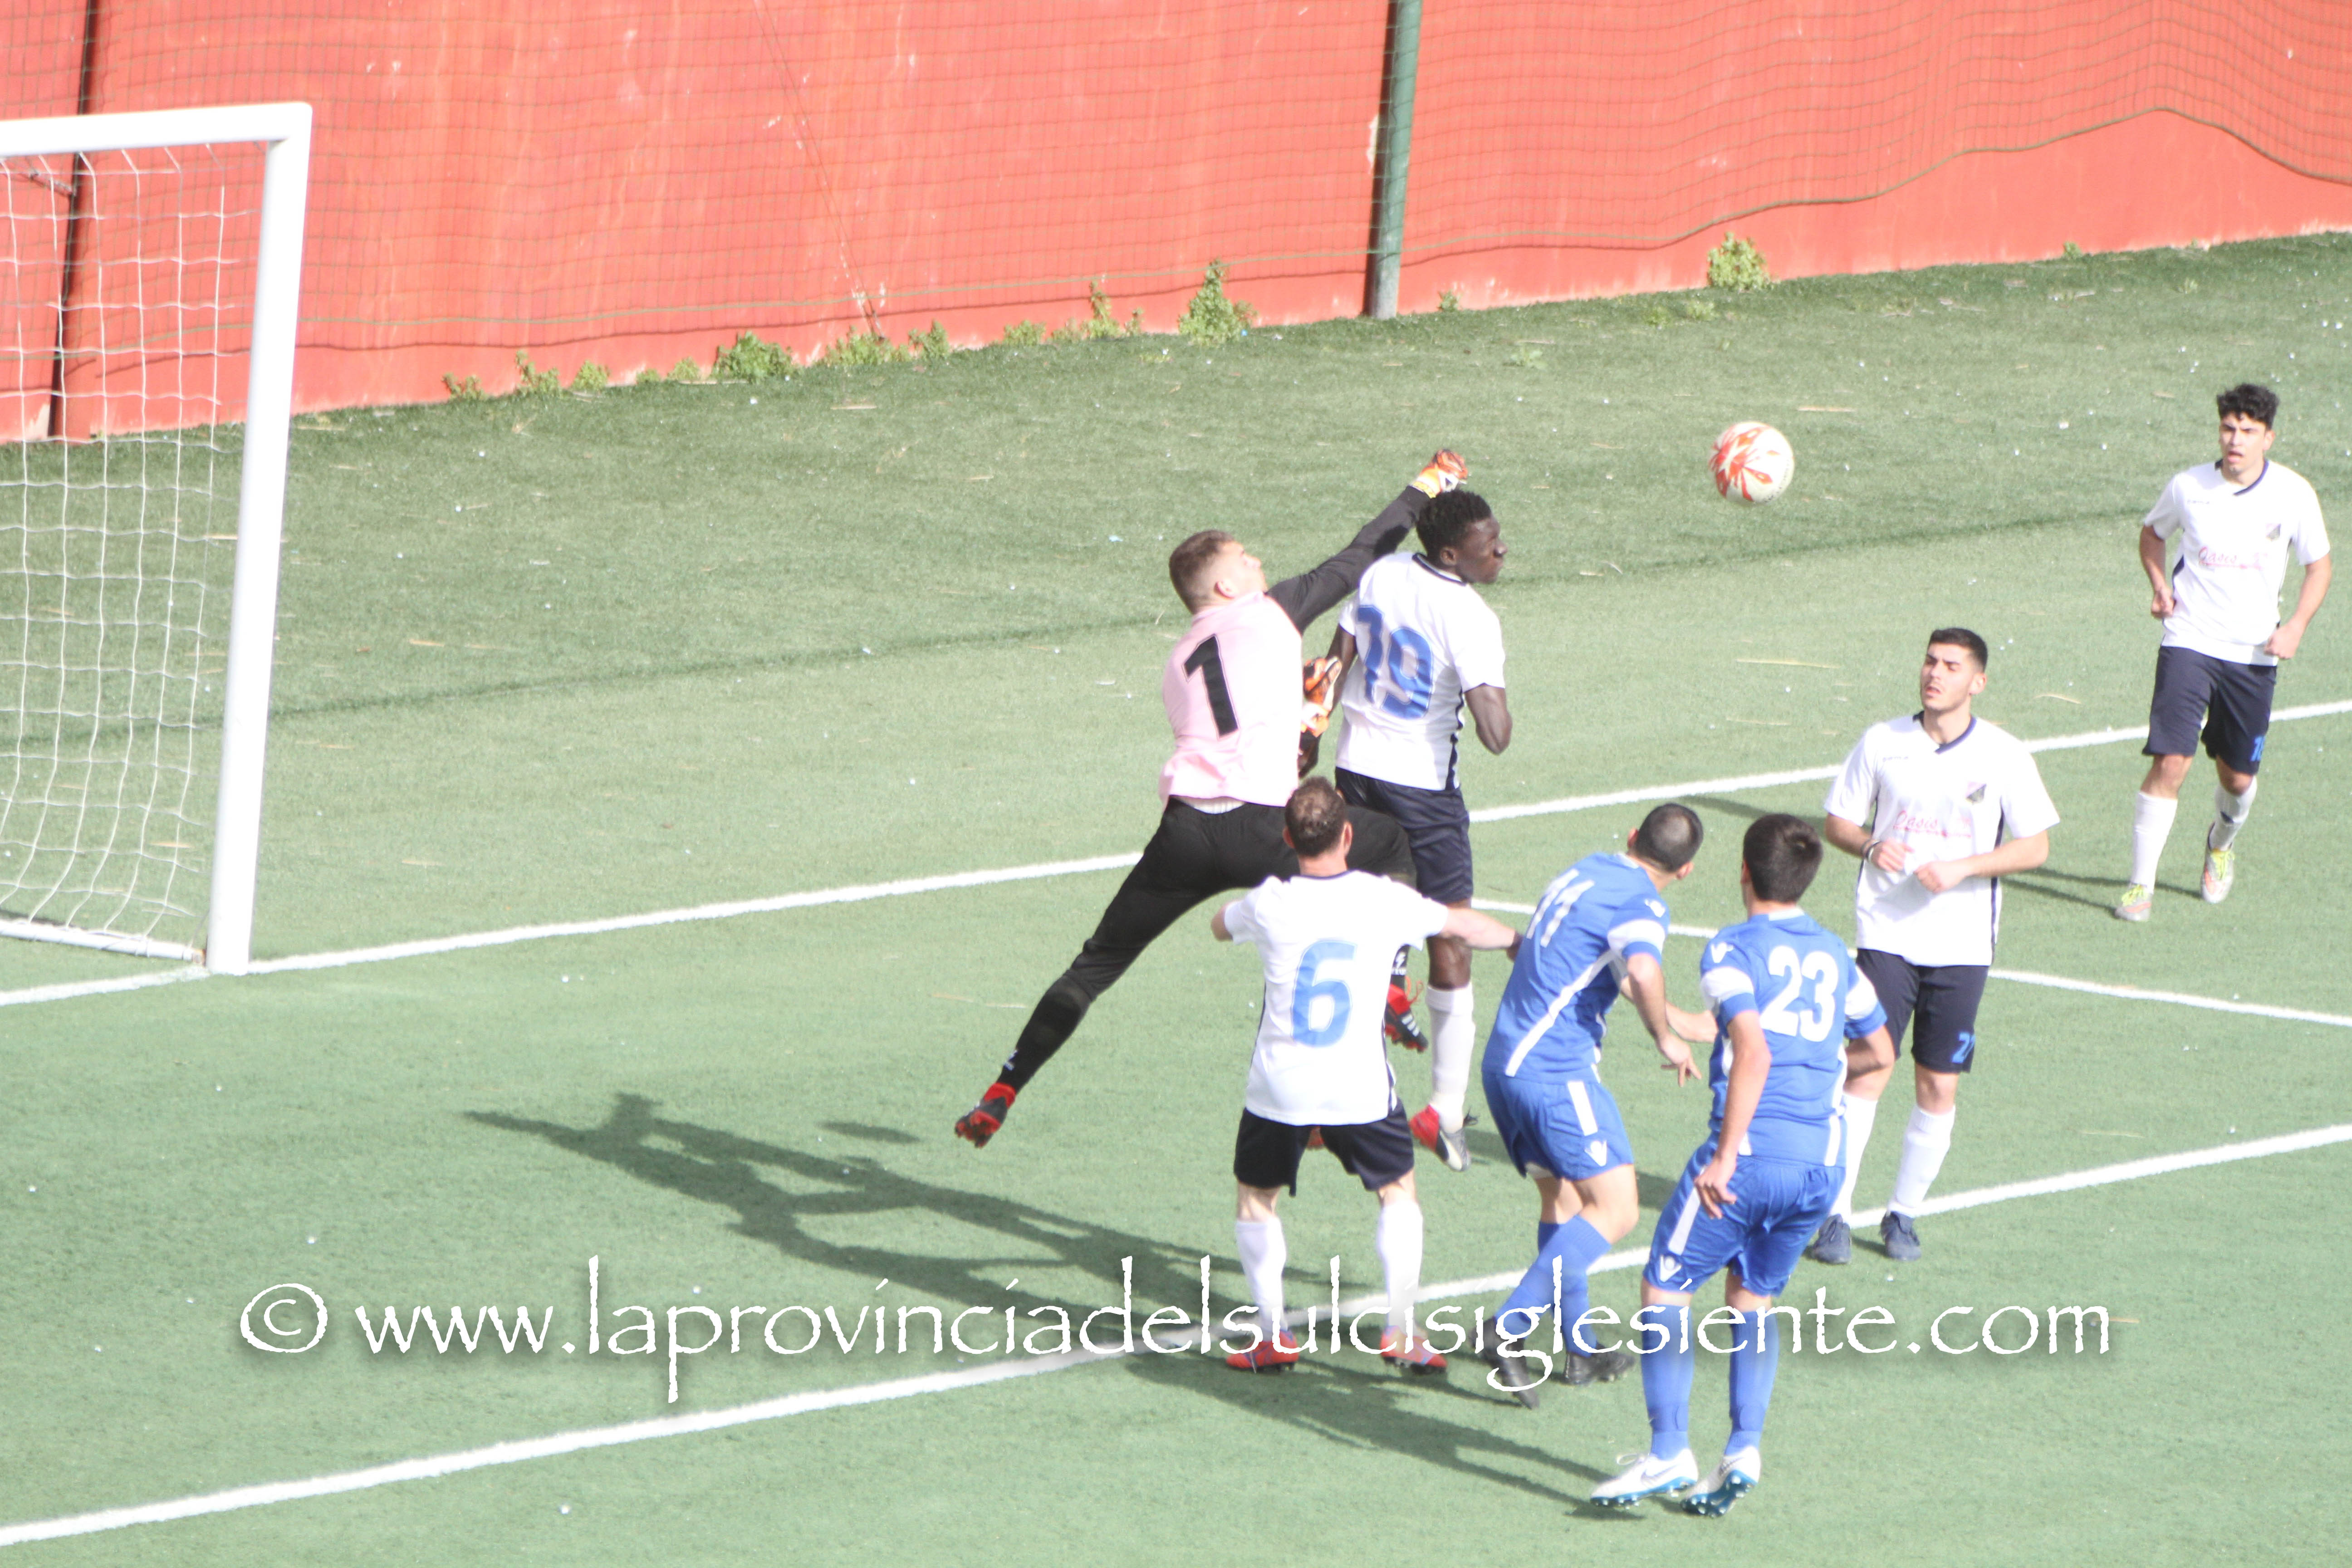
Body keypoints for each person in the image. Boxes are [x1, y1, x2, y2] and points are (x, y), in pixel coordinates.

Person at [953, 452, 1469, 1147]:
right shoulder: (1272, 610)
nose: (1259, 564)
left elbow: (1240, 734)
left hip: (1187, 833)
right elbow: (1361, 556)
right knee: (1387, 844)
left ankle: (1004, 1087)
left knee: (1094, 967)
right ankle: (1387, 988)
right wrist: (1427, 487)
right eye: (1247, 559)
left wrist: (1302, 715)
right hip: (1263, 828)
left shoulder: (1177, 663)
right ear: (1227, 585)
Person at [1590, 814, 1895, 1515]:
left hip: (1751, 1158)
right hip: (1821, 1169)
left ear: (1744, 873)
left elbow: (1753, 1049)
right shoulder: (1833, 954)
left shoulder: (1732, 947)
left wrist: (1726, 1156)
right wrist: (1663, 1016)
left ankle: (1669, 1451)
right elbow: (1879, 1052)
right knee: (1751, 1299)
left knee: (1665, 1287)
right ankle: (1743, 1448)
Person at [1210, 778, 1524, 1373]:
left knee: (1256, 1199)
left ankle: (1273, 1335)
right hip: (1359, 1086)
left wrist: (1241, 915)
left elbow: (1219, 925)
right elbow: (1461, 926)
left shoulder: (1270, 902)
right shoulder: (1385, 900)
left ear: (1288, 840)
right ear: (1348, 836)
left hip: (1280, 1086)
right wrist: (1516, 942)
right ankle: (1401, 1330)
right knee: (1397, 1192)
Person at [1807, 629, 2057, 1265]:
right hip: (1886, 932)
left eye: (1951, 666)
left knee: (1938, 1083)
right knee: (1869, 1066)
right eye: (1929, 661)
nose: (1934, 674)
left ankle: (1903, 1214)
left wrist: (1964, 868)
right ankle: (1834, 1214)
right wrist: (1870, 846)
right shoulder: (1882, 742)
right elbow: (1838, 821)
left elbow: (2035, 846)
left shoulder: (2004, 754)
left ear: (1978, 682)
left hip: (1962, 944)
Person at [1477, 803, 1715, 1406]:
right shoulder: (1642, 904)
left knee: (1564, 1201)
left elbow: (1609, 969)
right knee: (1618, 1208)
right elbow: (1643, 968)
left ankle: (1579, 1346)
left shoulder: (1585, 870)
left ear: (1632, 838)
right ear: (1686, 870)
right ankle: (1507, 1329)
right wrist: (1666, 1039)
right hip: (1556, 1074)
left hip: (1505, 1063)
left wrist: (1678, 1021)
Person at [1326, 486, 1512, 1172]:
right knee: (1451, 934)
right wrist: (1488, 689)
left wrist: (1312, 728)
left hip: (1356, 772)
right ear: (1451, 554)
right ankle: (1444, 1109)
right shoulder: (1469, 616)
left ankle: (1344, 1094)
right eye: (1489, 544)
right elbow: (1495, 737)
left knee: (1365, 924)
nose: (1501, 550)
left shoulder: (1382, 574)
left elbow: (1337, 658)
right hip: (1422, 791)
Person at [2115, 382, 2331, 921]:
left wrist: (2296, 626)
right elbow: (2152, 534)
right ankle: (2140, 886)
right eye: (2228, 429)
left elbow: (2319, 566)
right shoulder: (2189, 486)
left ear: (2268, 438)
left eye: (2248, 431)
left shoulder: (2293, 493)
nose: (2235, 440)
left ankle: (2221, 842)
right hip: (2189, 640)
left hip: (2253, 654)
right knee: (2171, 761)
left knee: (2236, 779)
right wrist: (2159, 586)